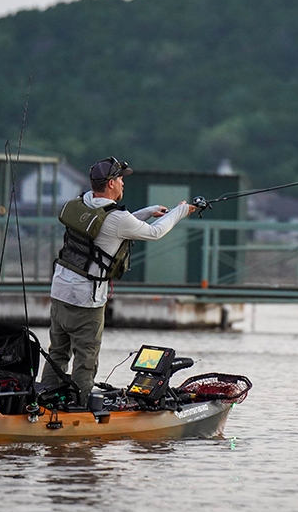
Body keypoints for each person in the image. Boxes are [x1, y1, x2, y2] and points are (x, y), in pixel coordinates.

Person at [40, 156, 197, 403]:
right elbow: (153, 232)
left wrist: (147, 212)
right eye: (121, 179)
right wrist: (181, 212)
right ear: (111, 183)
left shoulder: (82, 203)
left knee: (57, 352)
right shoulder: (118, 219)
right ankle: (80, 410)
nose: (123, 183)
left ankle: (43, 399)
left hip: (60, 289)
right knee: (86, 357)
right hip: (86, 299)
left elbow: (108, 225)